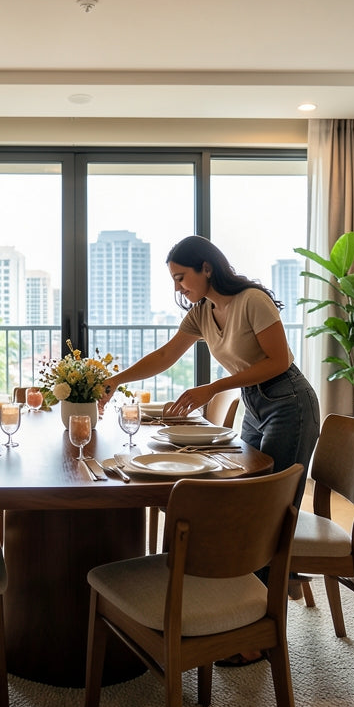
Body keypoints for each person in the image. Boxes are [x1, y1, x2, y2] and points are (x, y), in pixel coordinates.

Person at [101, 235, 320, 666]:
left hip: (289, 402)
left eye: (182, 278)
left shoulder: (251, 300)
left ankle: (257, 632)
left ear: (206, 268)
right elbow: (166, 355)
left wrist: (213, 387)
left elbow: (279, 360)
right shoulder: (203, 313)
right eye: (175, 281)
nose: (179, 288)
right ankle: (247, 607)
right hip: (258, 405)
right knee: (244, 503)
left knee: (266, 510)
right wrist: (114, 380)